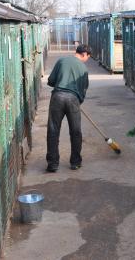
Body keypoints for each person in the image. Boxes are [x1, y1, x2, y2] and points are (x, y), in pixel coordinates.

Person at [46, 44, 91, 172]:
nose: (87, 60)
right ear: (84, 54)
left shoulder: (61, 60)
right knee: (76, 131)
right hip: (73, 99)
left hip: (57, 97)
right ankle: (75, 162)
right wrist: (77, 101)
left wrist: (61, 83)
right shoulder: (83, 68)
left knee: (53, 130)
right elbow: (83, 89)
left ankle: (52, 164)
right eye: (88, 57)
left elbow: (51, 81)